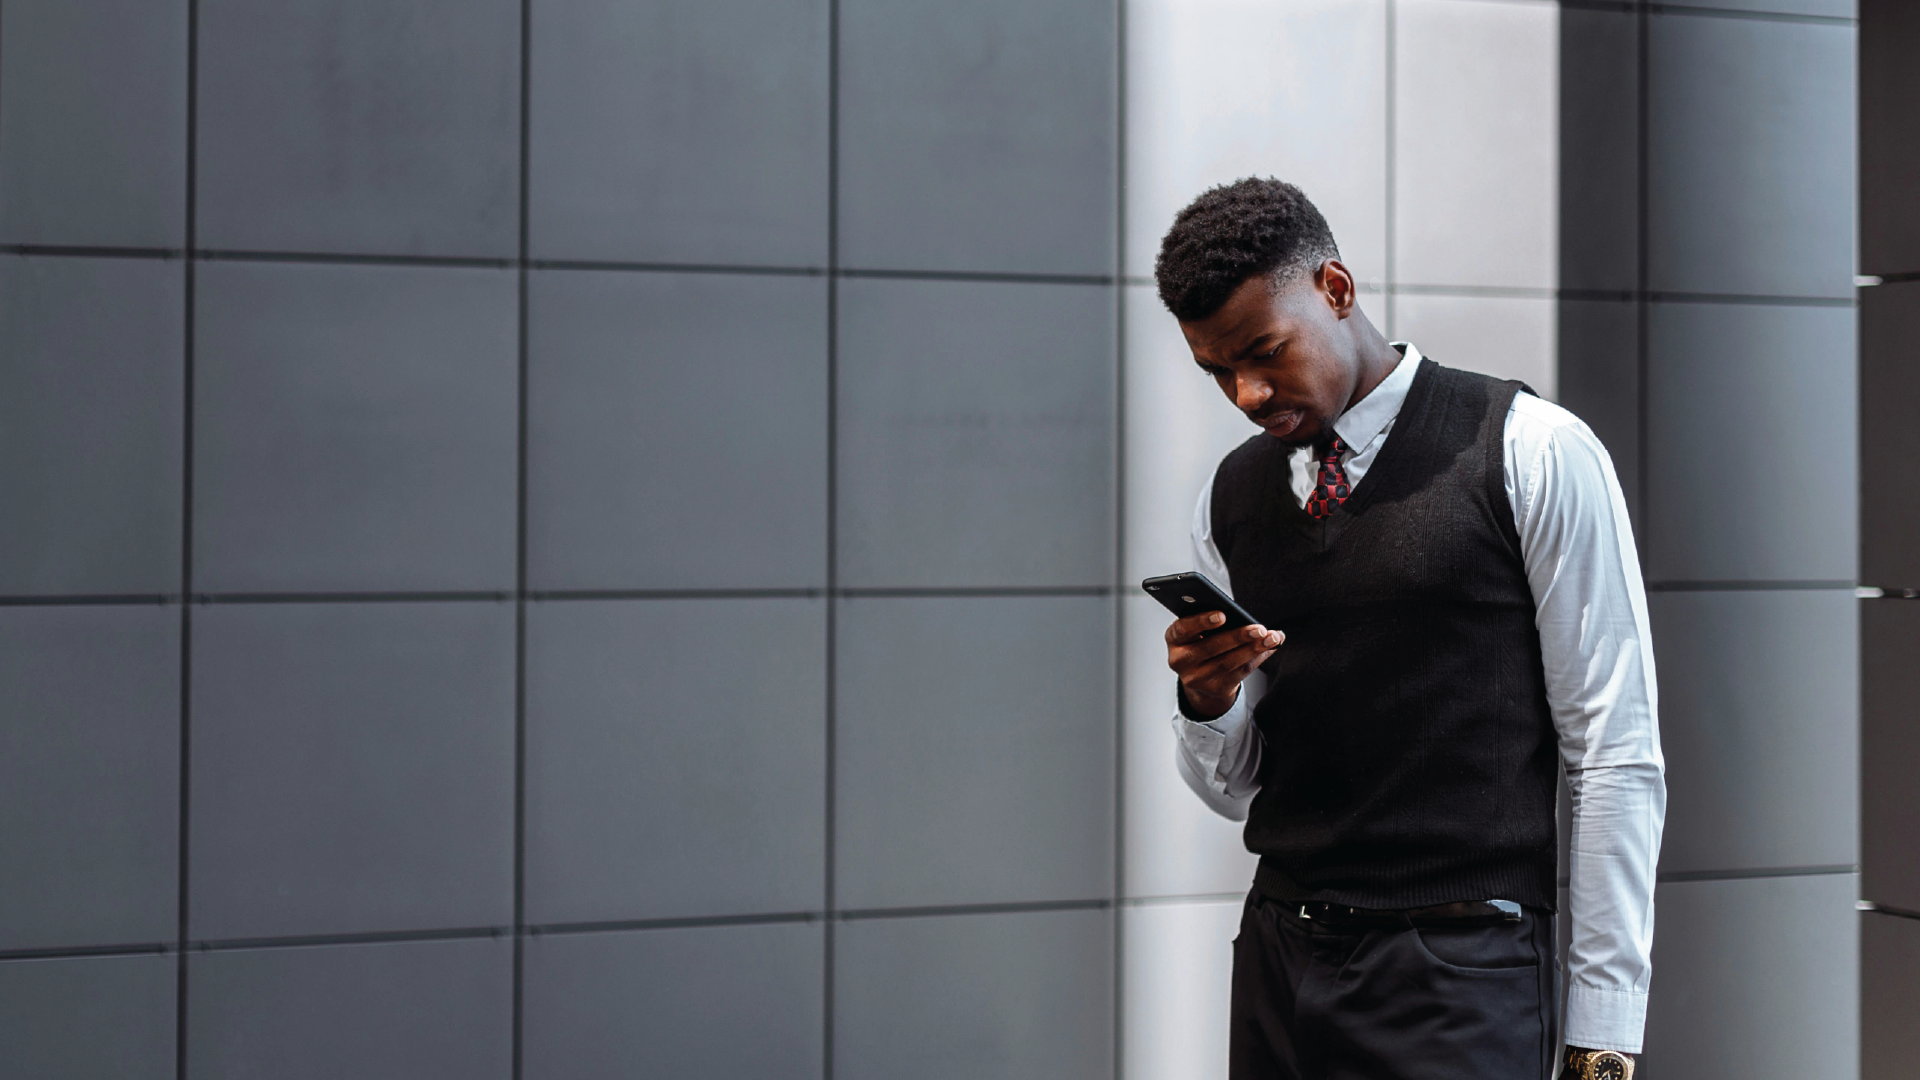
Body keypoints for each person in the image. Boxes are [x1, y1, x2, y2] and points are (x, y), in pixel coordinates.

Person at [1154, 178, 1664, 1080]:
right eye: (1217, 370)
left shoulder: (1531, 450)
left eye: (1265, 352)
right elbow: (1234, 790)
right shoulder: (1229, 496)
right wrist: (1209, 699)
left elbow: (1614, 751)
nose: (1246, 392)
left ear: (1336, 290)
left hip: (1461, 975)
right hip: (1280, 960)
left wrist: (1605, 1035)